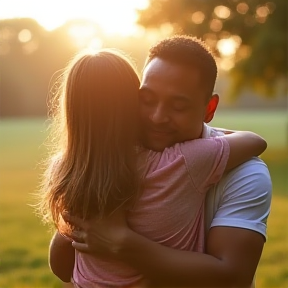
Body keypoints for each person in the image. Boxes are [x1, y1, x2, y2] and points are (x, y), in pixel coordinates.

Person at [46, 36, 271, 287]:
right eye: (147, 99)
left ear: (209, 108)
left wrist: (121, 243)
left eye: (178, 106)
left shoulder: (246, 172)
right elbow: (62, 262)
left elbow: (233, 279)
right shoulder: (112, 160)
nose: (157, 117)